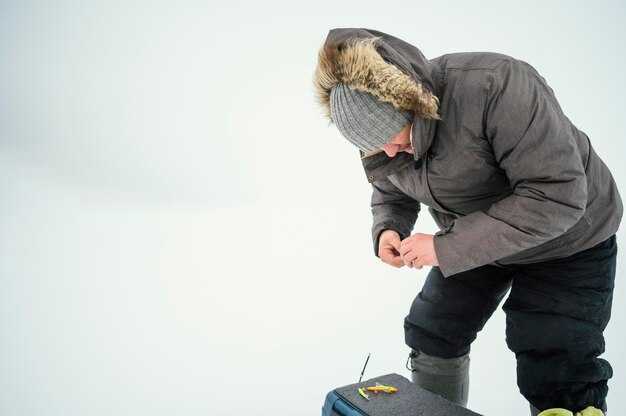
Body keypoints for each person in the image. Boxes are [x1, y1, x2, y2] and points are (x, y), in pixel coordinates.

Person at [313, 27, 622, 416]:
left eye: (392, 137)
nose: (389, 152)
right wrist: (389, 225)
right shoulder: (386, 141)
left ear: (410, 105)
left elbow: (556, 195)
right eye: (376, 147)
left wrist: (444, 248)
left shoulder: (496, 86)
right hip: (478, 236)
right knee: (433, 329)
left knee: (556, 358)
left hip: (569, 238)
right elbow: (391, 181)